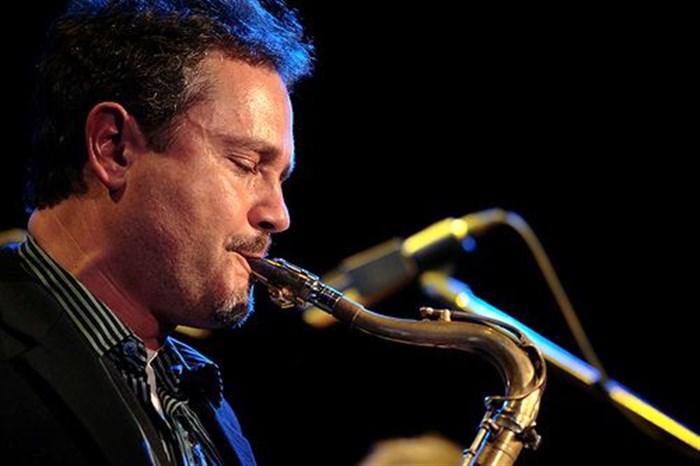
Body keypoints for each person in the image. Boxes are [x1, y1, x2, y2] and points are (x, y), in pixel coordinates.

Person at [0, 0, 312, 464]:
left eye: (280, 178)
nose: (278, 215)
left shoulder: (203, 399)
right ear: (113, 149)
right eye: (246, 164)